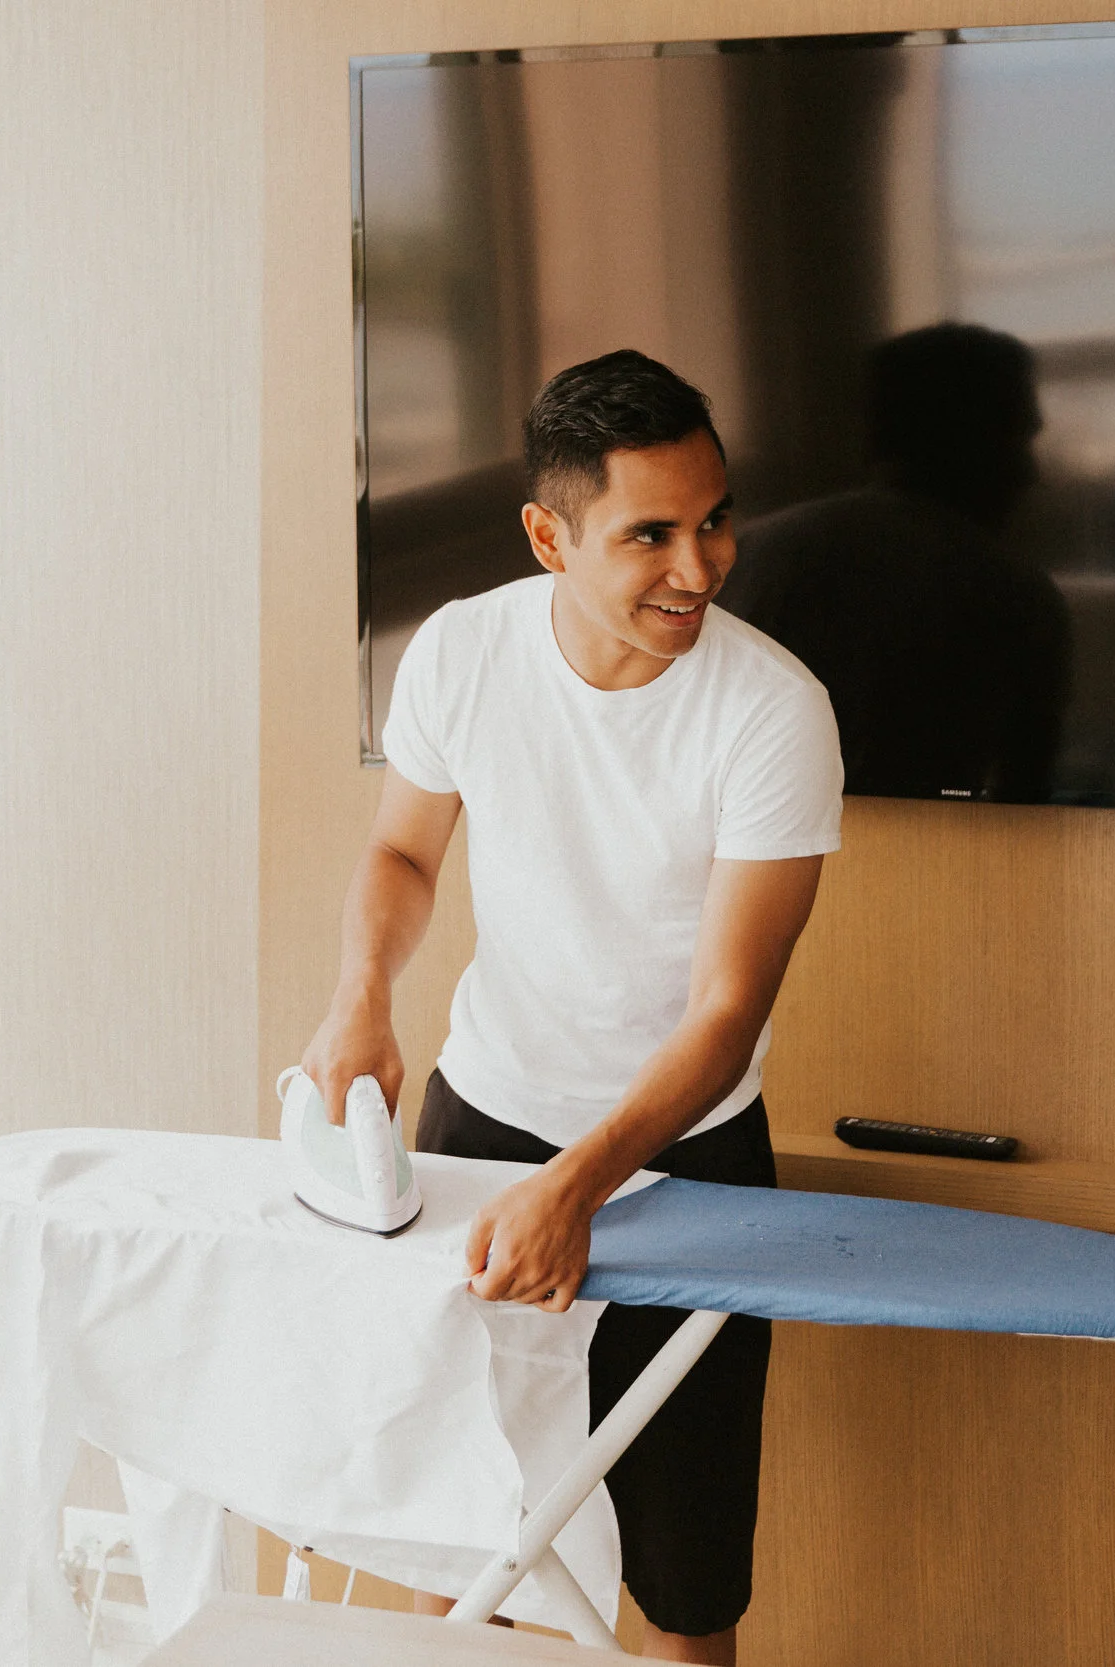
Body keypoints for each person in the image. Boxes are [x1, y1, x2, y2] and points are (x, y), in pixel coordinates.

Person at [302, 349, 843, 1664]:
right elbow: (403, 853)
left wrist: (581, 1185)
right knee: (464, 1546)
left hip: (689, 1155)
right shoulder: (463, 648)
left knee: (685, 1584)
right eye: (650, 533)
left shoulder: (774, 711)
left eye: (715, 518)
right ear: (549, 536)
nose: (699, 566)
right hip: (484, 1126)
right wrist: (361, 998)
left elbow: (727, 1009)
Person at [734, 322, 1069, 802]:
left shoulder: (743, 556)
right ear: (974, 440)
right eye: (1019, 439)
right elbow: (1027, 803)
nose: (1031, 474)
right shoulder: (1014, 594)